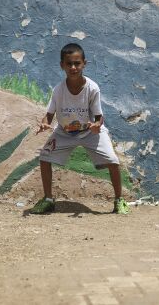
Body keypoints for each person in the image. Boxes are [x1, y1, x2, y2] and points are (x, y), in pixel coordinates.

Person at [30, 43, 130, 215]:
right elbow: (49, 115)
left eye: (77, 63)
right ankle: (48, 200)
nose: (73, 67)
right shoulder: (58, 90)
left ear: (84, 63)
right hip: (64, 132)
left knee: (113, 161)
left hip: (89, 132)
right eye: (69, 64)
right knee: (44, 157)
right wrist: (45, 123)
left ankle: (119, 200)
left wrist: (97, 127)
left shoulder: (92, 88)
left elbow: (99, 118)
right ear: (62, 65)